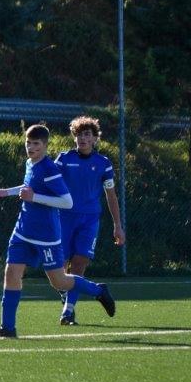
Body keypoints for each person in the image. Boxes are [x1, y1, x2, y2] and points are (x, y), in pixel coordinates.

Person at [0, 124, 115, 338]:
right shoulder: (30, 163)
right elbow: (28, 188)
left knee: (60, 281)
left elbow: (67, 202)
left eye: (36, 144)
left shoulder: (50, 169)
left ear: (45, 146)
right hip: (23, 231)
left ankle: (98, 290)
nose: (31, 147)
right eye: (28, 143)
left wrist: (33, 197)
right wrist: (5, 192)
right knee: (11, 273)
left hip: (46, 236)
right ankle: (7, 328)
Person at [54, 116, 126, 326]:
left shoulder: (103, 164)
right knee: (57, 271)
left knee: (79, 262)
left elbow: (111, 195)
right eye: (79, 135)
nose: (82, 138)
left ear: (95, 139)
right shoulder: (64, 159)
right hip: (63, 218)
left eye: (87, 135)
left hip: (89, 221)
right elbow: (50, 183)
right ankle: (94, 290)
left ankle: (68, 312)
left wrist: (118, 226)